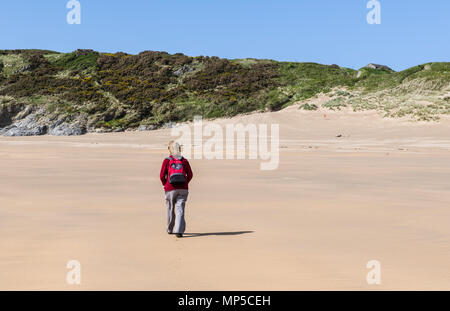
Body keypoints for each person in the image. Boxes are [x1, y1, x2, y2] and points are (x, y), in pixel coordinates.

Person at [159, 141, 193, 238]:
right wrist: (185, 183)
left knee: (170, 208)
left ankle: (170, 229)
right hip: (183, 189)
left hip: (170, 188)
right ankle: (179, 230)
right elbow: (190, 175)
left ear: (170, 150)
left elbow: (162, 175)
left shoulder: (167, 160)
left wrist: (165, 184)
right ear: (179, 149)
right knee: (180, 208)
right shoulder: (184, 161)